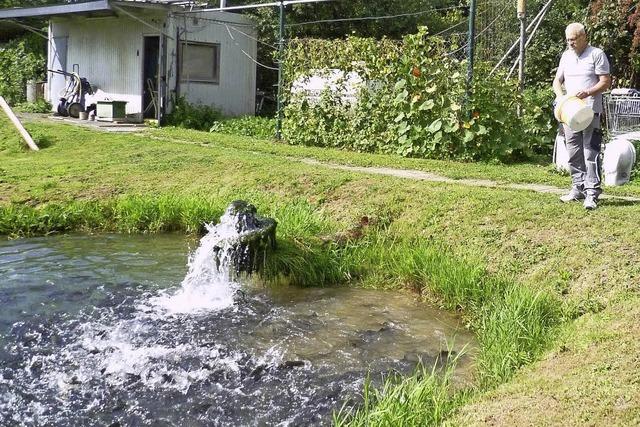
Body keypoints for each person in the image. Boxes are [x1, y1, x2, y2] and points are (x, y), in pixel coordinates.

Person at [553, 22, 611, 210]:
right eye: (568, 40)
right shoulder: (566, 56)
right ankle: (577, 188)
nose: (570, 43)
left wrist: (587, 92)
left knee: (590, 152)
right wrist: (561, 97)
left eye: (573, 39)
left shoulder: (597, 54)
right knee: (573, 152)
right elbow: (557, 80)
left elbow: (605, 81)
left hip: (590, 111)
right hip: (569, 113)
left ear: (583, 37)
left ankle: (592, 192)